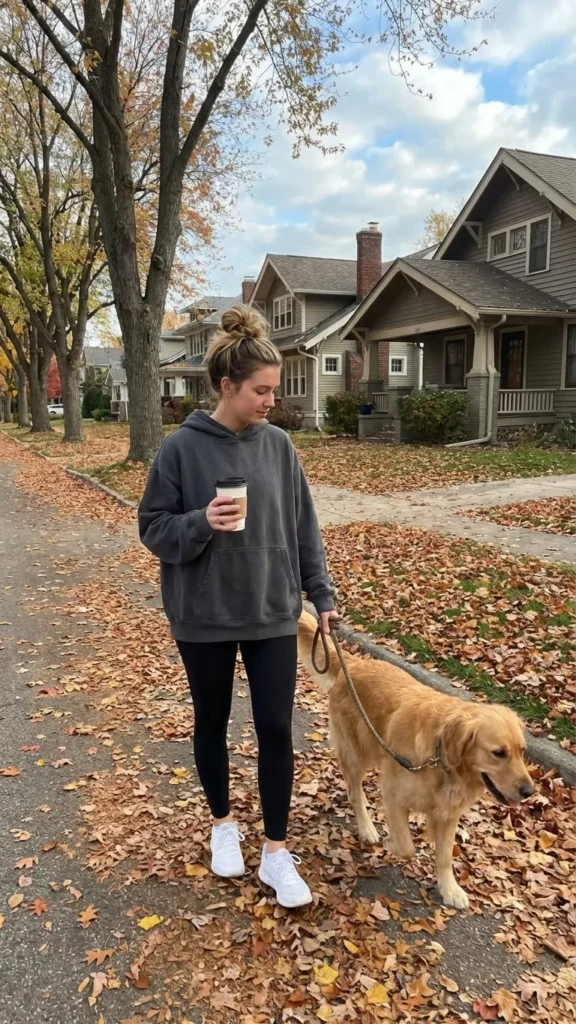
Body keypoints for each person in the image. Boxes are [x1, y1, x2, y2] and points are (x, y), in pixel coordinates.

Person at [138, 304, 338, 908]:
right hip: (203, 616)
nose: (271, 400)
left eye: (274, 390)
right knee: (213, 723)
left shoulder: (279, 447)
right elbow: (152, 528)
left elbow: (304, 526)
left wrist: (321, 594)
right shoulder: (180, 450)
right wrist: (200, 521)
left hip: (273, 609)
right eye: (261, 390)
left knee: (277, 727)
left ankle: (277, 852)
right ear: (227, 386)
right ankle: (223, 824)